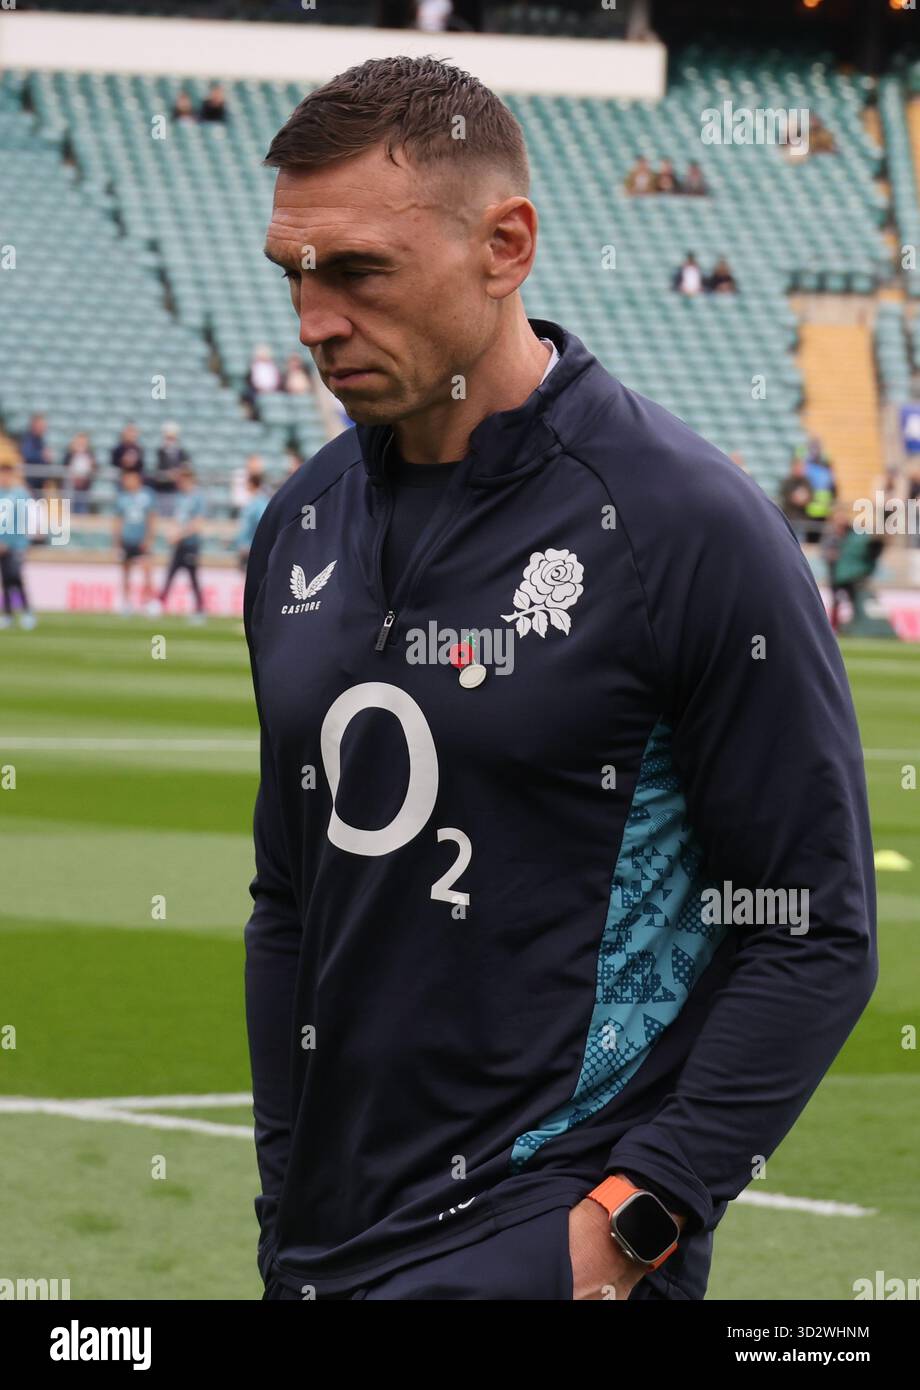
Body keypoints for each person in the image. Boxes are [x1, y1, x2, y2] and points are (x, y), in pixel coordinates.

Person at [249, 54, 876, 1304]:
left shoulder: (684, 526)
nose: (314, 319)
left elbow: (810, 929)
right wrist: (283, 1193)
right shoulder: (297, 523)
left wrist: (631, 1220)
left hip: (546, 1240)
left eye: (358, 271)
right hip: (323, 1246)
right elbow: (290, 901)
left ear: (505, 246)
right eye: (294, 274)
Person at [157, 465, 205, 621]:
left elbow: (197, 523)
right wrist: (171, 532)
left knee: (193, 577)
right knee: (170, 574)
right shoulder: (179, 497)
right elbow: (176, 519)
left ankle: (199, 610)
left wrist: (179, 534)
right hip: (179, 544)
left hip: (191, 544)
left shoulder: (197, 497)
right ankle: (160, 603)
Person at [114, 467, 156, 614]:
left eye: (129, 478)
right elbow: (118, 521)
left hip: (141, 540)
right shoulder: (122, 498)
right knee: (126, 572)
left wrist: (149, 538)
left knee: (147, 571)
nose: (127, 481)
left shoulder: (147, 496)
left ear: (137, 479)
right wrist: (117, 541)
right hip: (127, 539)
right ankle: (126, 603)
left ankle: (148, 602)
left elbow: (151, 518)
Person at [0, 460, 37, 629]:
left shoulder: (21, 494)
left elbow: (26, 520)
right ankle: (8, 614)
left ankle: (27, 611)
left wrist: (22, 543)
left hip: (17, 544)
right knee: (6, 579)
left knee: (15, 577)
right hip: (1, 546)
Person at [802, 437, 837, 542]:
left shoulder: (826, 467)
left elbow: (832, 487)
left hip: (824, 508)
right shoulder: (807, 466)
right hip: (809, 508)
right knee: (810, 537)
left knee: (821, 537)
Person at [152, 422, 188, 518]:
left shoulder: (182, 453)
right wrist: (167, 475)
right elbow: (156, 473)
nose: (170, 441)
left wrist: (178, 474)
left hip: (176, 491)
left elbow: (186, 470)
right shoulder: (160, 452)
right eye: (168, 438)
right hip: (161, 491)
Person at [236, 473, 269, 571]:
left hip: (252, 547)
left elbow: (262, 524)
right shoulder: (253, 500)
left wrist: (252, 545)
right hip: (247, 545)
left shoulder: (260, 501)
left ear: (251, 484)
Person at [779, 455, 814, 543]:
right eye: (799, 466)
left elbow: (810, 497)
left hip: (803, 519)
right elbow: (785, 497)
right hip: (789, 519)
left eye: (802, 467)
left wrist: (803, 499)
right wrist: (796, 498)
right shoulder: (787, 482)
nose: (801, 469)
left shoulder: (807, 482)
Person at [63, 431, 97, 513]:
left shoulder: (90, 454)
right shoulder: (70, 453)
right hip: (71, 485)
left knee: (82, 507)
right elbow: (65, 465)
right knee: (69, 506)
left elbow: (95, 467)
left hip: (84, 485)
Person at [20, 413, 53, 496]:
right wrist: (42, 455)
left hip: (40, 483)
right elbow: (27, 454)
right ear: (34, 425)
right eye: (41, 425)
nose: (43, 428)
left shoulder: (41, 440)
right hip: (30, 482)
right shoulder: (28, 439)